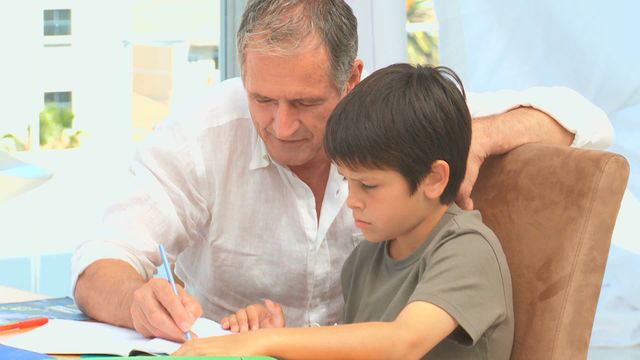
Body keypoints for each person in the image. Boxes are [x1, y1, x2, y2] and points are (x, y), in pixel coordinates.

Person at [71, 0, 612, 343]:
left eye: (305, 103)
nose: (281, 126)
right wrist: (136, 301)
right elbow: (100, 259)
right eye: (261, 98)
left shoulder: (400, 117)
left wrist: (482, 134)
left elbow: (589, 121)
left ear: (351, 79)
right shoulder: (203, 133)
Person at [175, 63, 513, 359]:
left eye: (368, 185)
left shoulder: (468, 249)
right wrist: (281, 341)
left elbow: (401, 343)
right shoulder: (365, 259)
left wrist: (271, 340)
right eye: (346, 180)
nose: (352, 200)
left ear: (434, 179)